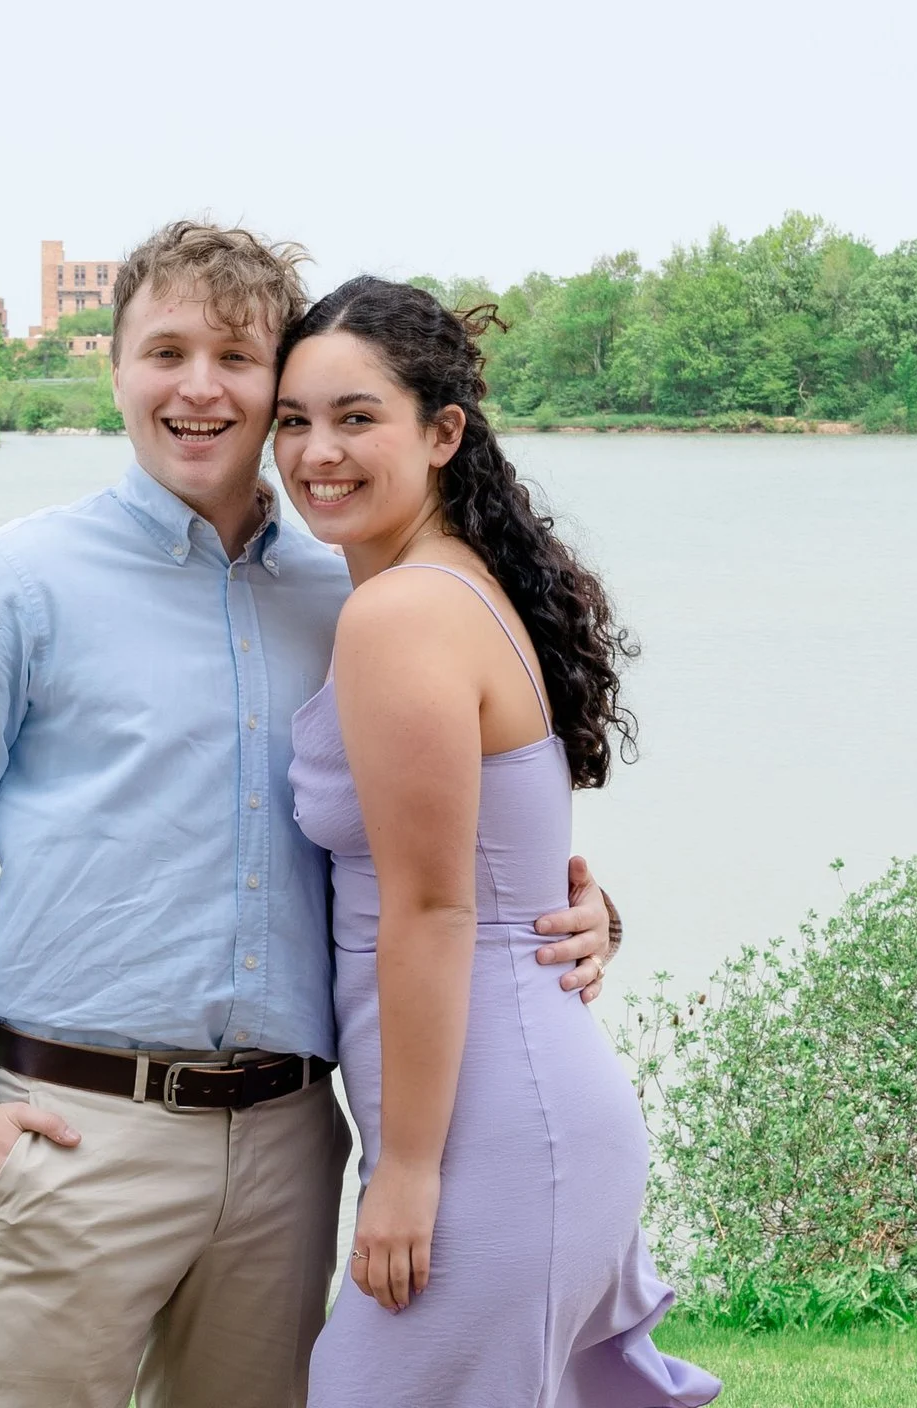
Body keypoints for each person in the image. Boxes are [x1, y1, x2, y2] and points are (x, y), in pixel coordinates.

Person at [0, 224, 623, 1408]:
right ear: (115, 370)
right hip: (74, 1137)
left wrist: (579, 904)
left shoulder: (353, 586)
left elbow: (442, 837)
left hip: (293, 1145)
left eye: (236, 358)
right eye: (164, 351)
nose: (198, 387)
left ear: (275, 384)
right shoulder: (9, 586)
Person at [277, 277, 719, 1407]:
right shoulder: (449, 589)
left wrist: (409, 1172)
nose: (315, 451)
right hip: (509, 1105)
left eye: (354, 416)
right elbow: (506, 862)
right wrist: (593, 912)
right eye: (293, 419)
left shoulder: (401, 613)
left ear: (442, 432)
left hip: (487, 1135)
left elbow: (435, 907)